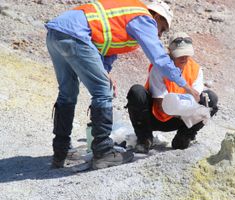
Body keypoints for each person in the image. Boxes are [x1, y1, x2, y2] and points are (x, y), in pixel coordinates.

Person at [46, 0, 200, 169]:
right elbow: (160, 59)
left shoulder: (127, 17)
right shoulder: (144, 18)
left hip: (57, 33)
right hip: (75, 34)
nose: (159, 35)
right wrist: (186, 86)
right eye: (162, 28)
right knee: (103, 92)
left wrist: (105, 72)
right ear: (156, 16)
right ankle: (103, 152)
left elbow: (107, 47)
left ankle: (61, 152)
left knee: (67, 93)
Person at [126, 32, 219, 153]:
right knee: (136, 92)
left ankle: (184, 138)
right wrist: (183, 107)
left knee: (210, 99)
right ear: (170, 51)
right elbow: (160, 104)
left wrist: (192, 108)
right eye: (180, 54)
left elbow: (197, 98)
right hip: (155, 117)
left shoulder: (195, 69)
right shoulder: (159, 68)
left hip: (180, 119)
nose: (184, 57)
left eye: (187, 54)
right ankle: (144, 139)